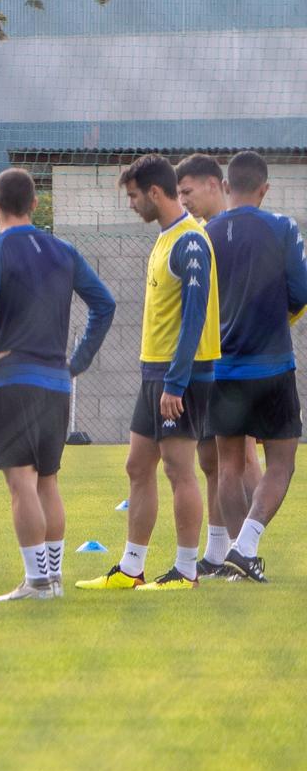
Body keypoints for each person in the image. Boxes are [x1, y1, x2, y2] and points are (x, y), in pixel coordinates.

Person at [0, 168, 115, 600]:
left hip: (14, 380)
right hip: (57, 383)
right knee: (48, 481)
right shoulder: (64, 250)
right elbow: (105, 304)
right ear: (36, 204)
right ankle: (52, 579)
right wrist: (77, 361)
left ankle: (37, 581)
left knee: (20, 482)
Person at [76, 154, 219, 592]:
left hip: (184, 375)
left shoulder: (190, 242)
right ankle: (131, 569)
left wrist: (175, 382)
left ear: (155, 193)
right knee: (138, 466)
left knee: (179, 470)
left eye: (135, 196)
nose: (132, 204)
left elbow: (194, 318)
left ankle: (187, 570)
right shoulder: (164, 238)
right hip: (153, 373)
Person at [196, 150, 307, 581]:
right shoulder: (281, 228)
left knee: (229, 465)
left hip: (224, 368)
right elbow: (300, 290)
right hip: (274, 364)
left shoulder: (206, 233)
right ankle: (247, 545)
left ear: (225, 187)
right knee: (281, 462)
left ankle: (237, 557)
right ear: (264, 189)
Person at [175, 153, 262, 567]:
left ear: (216, 185)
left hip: (237, 360)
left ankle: (246, 548)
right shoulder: (200, 235)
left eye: (187, 191)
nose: (184, 199)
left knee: (240, 456)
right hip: (210, 361)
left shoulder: (235, 233)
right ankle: (218, 550)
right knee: (210, 459)